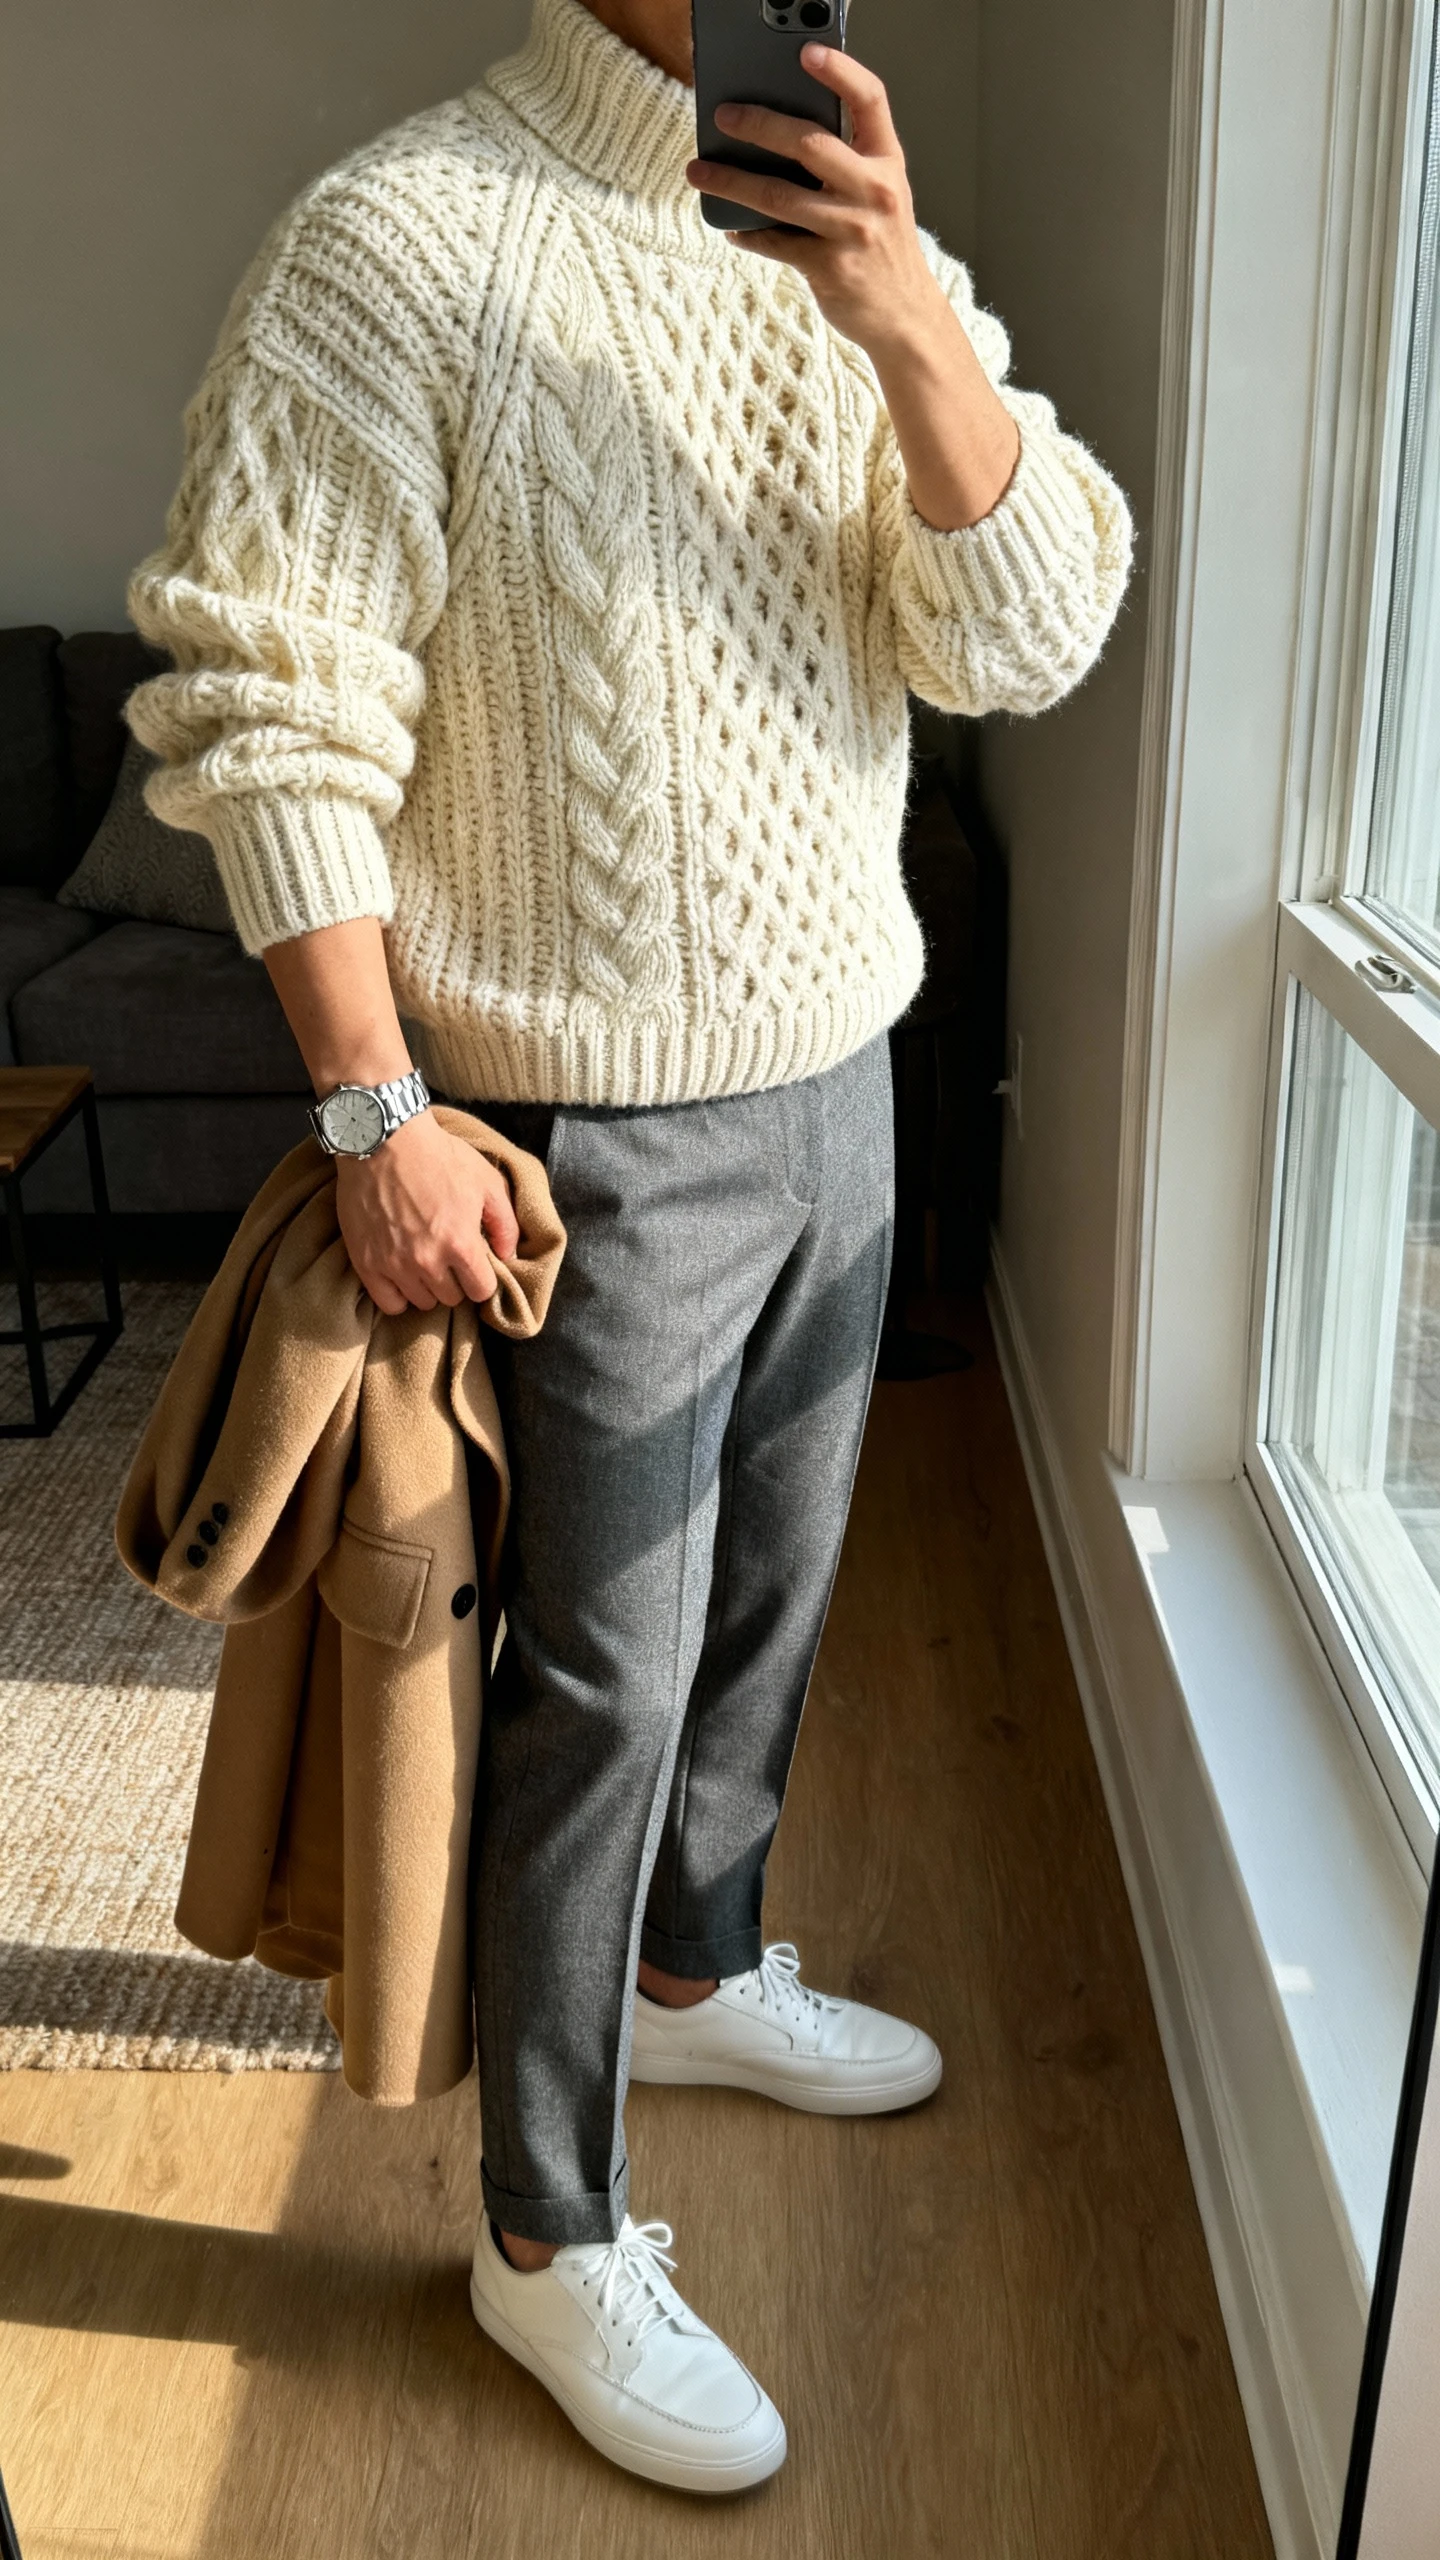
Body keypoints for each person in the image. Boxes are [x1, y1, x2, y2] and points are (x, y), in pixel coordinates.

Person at [128, 0, 1130, 2496]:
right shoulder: (396, 240)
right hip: (584, 1131)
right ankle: (542, 2220)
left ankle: (692, 1962)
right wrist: (378, 1108)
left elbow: (1021, 631)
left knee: (770, 1604)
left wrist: (901, 310)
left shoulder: (847, 233)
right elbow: (267, 702)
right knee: (601, 1675)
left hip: (849, 1066)